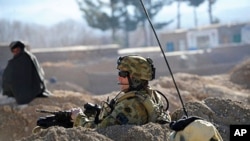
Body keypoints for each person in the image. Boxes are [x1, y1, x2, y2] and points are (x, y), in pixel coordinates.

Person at [70, 55, 171, 128]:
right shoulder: (153, 95)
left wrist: (79, 117)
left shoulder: (129, 105)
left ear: (135, 78)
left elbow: (99, 132)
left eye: (122, 74)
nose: (119, 78)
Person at [1, 40, 52, 105]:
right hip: (34, 90)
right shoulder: (18, 60)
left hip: (29, 91)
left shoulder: (24, 59)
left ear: (21, 49)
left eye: (17, 50)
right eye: (13, 51)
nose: (15, 52)